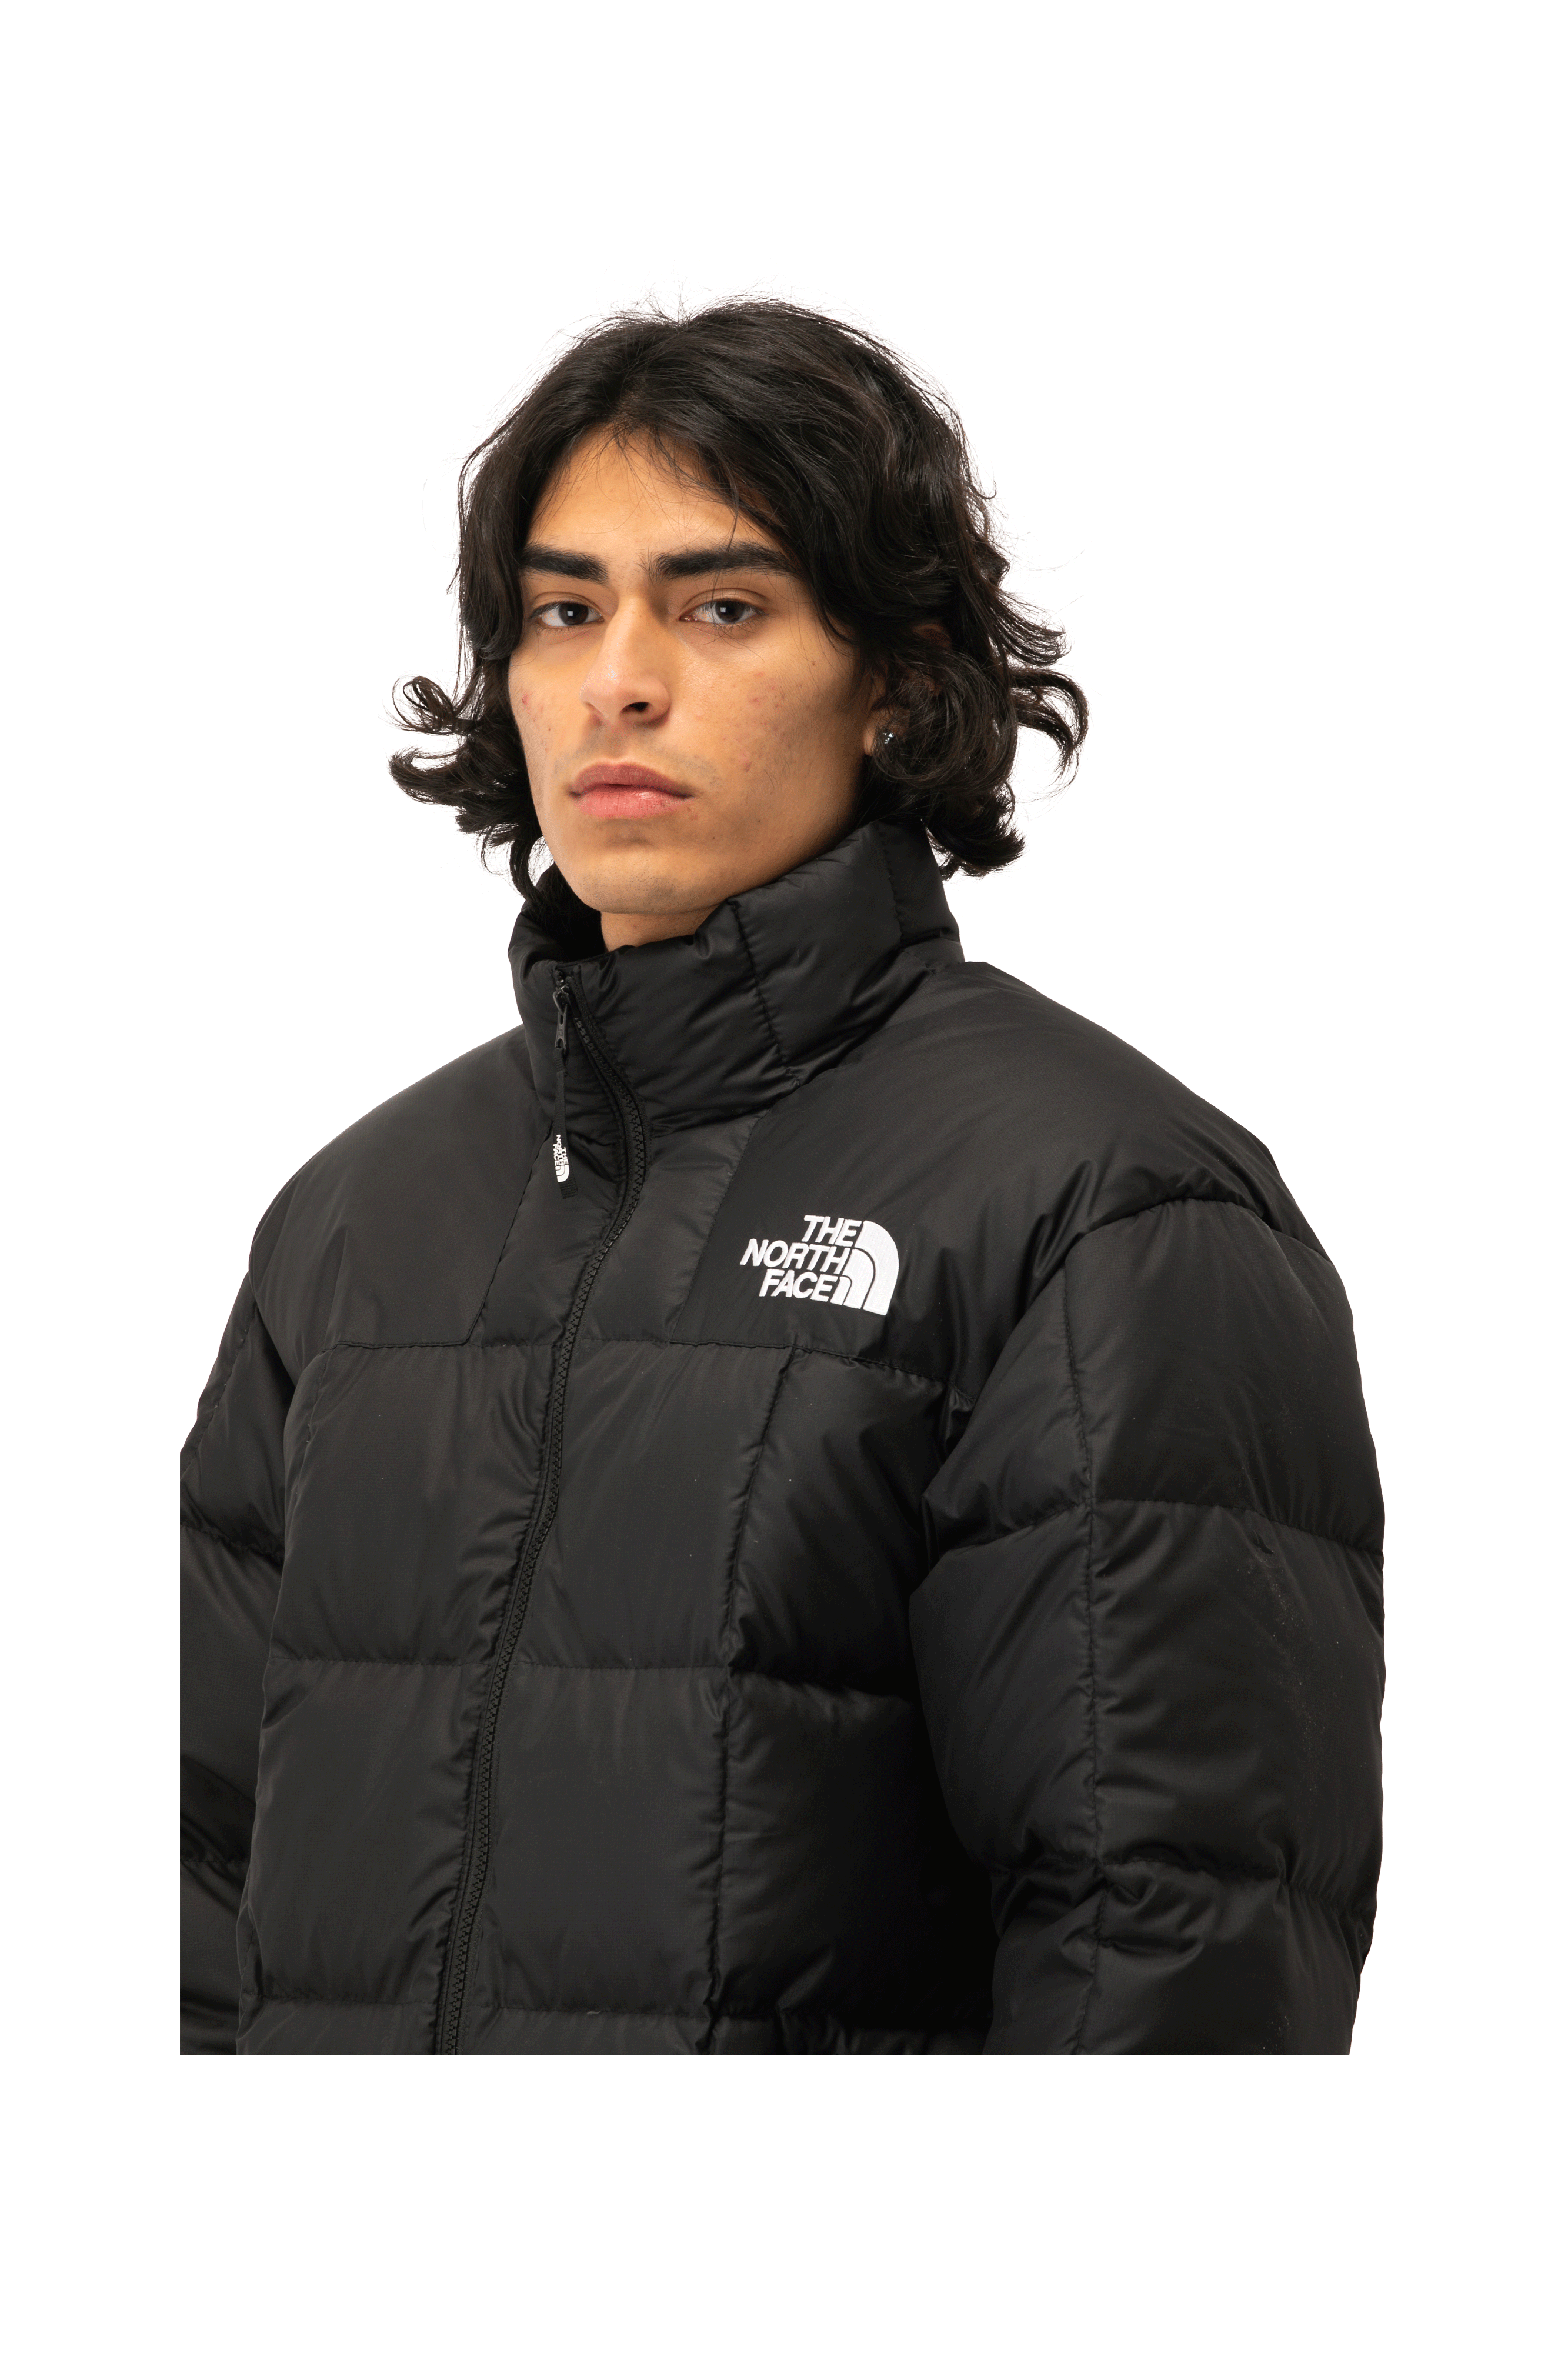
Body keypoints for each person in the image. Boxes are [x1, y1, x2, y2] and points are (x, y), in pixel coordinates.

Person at [180, 301, 1384, 2055]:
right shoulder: (359, 1222)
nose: (621, 678)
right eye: (564, 611)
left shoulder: (1100, 1210)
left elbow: (1167, 1957)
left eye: (723, 607)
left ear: (895, 679)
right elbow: (188, 1885)